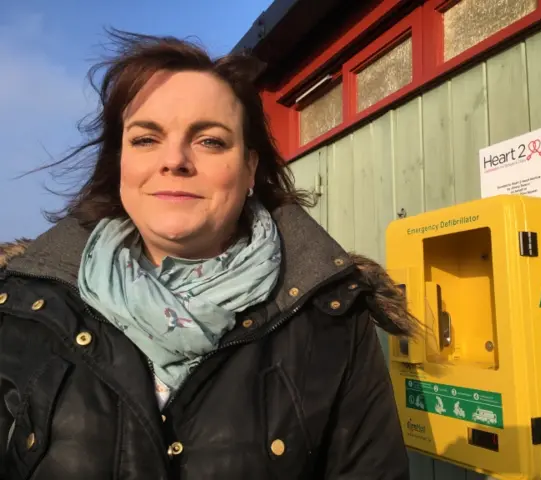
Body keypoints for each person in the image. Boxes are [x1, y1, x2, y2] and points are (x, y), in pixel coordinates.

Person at [0, 30, 416, 479]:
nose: (175, 159)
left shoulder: (331, 314)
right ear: (119, 162)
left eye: (210, 141)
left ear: (250, 168)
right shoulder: (23, 308)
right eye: (145, 139)